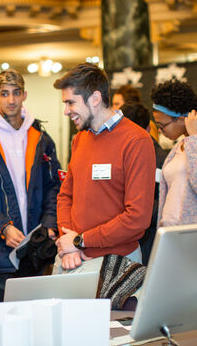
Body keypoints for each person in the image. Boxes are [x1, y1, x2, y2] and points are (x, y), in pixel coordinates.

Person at [0, 69, 61, 311]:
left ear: (25, 95)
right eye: (5, 94)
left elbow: (54, 187)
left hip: (36, 247)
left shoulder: (40, 137)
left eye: (16, 93)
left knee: (37, 315)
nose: (11, 100)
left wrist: (50, 223)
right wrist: (4, 226)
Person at [53, 63, 156, 271]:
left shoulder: (137, 140)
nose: (66, 111)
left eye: (71, 103)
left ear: (95, 98)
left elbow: (137, 217)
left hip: (118, 262)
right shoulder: (80, 139)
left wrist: (81, 240)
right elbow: (65, 196)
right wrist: (69, 241)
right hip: (74, 258)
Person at [120, 101, 168, 265]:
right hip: (123, 239)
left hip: (149, 240)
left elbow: (165, 204)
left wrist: (136, 207)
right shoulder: (119, 154)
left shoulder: (162, 160)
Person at [151, 79, 197, 227]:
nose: (160, 130)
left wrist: (194, 138)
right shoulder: (179, 147)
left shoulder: (192, 144)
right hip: (170, 232)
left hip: (189, 235)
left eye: (162, 125)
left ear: (182, 120)